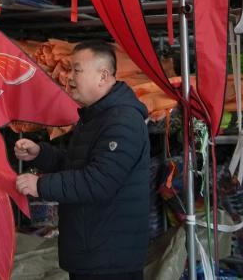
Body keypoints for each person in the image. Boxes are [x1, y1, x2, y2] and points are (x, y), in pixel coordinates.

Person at [14, 39, 150, 280]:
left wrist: (40, 185)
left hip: (110, 260)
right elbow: (76, 165)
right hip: (92, 252)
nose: (69, 78)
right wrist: (41, 154)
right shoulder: (96, 117)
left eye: (77, 70)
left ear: (103, 76)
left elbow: (99, 181)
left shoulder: (123, 121)